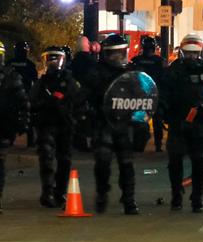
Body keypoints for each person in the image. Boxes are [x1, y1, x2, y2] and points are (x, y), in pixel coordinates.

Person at [77, 34, 142, 214]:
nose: (117, 57)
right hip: (103, 122)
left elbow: (143, 96)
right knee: (103, 162)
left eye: (120, 53)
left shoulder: (131, 73)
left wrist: (141, 119)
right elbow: (82, 96)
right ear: (106, 54)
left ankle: (129, 199)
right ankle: (102, 194)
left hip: (125, 122)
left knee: (127, 163)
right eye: (113, 54)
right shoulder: (96, 72)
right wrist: (84, 116)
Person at [160, 33, 203, 213]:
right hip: (178, 121)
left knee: (198, 161)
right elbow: (163, 94)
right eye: (188, 53)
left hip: (199, 122)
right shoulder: (173, 71)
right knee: (175, 161)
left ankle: (197, 198)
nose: (192, 57)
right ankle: (176, 195)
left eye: (195, 54)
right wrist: (162, 112)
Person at [31, 46, 79, 208]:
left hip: (65, 125)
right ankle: (47, 192)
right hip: (46, 124)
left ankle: (60, 192)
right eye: (49, 59)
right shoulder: (41, 83)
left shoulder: (70, 82)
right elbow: (33, 102)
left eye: (55, 59)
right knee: (46, 159)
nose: (52, 63)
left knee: (64, 160)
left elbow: (77, 102)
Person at [0, 41, 31, 212]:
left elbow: (23, 102)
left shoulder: (11, 76)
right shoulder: (12, 75)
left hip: (4, 126)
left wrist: (22, 124)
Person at [131, 36, 167, 152]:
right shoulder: (159, 61)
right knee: (156, 120)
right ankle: (157, 145)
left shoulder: (137, 60)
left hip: (142, 94)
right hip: (153, 94)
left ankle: (140, 144)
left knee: (140, 120)